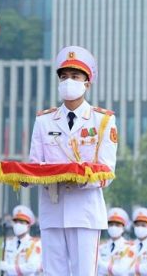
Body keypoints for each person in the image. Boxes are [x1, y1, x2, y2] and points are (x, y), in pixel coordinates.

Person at [28, 45, 118, 276]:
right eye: (64, 76)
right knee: (53, 272)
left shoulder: (102, 120)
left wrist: (78, 179)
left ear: (87, 83)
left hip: (85, 211)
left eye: (75, 76)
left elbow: (107, 171)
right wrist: (26, 177)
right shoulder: (44, 121)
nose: (69, 81)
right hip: (52, 207)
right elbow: (35, 163)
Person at [0, 205, 43, 275]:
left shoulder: (35, 243)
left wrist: (8, 268)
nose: (18, 225)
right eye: (16, 222)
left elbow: (31, 267)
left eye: (21, 222)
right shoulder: (7, 243)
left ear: (28, 225)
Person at [97, 207, 134, 276]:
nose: (114, 227)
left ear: (123, 228)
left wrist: (100, 263)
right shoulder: (101, 247)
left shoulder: (129, 247)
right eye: (111, 225)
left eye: (117, 225)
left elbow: (121, 271)